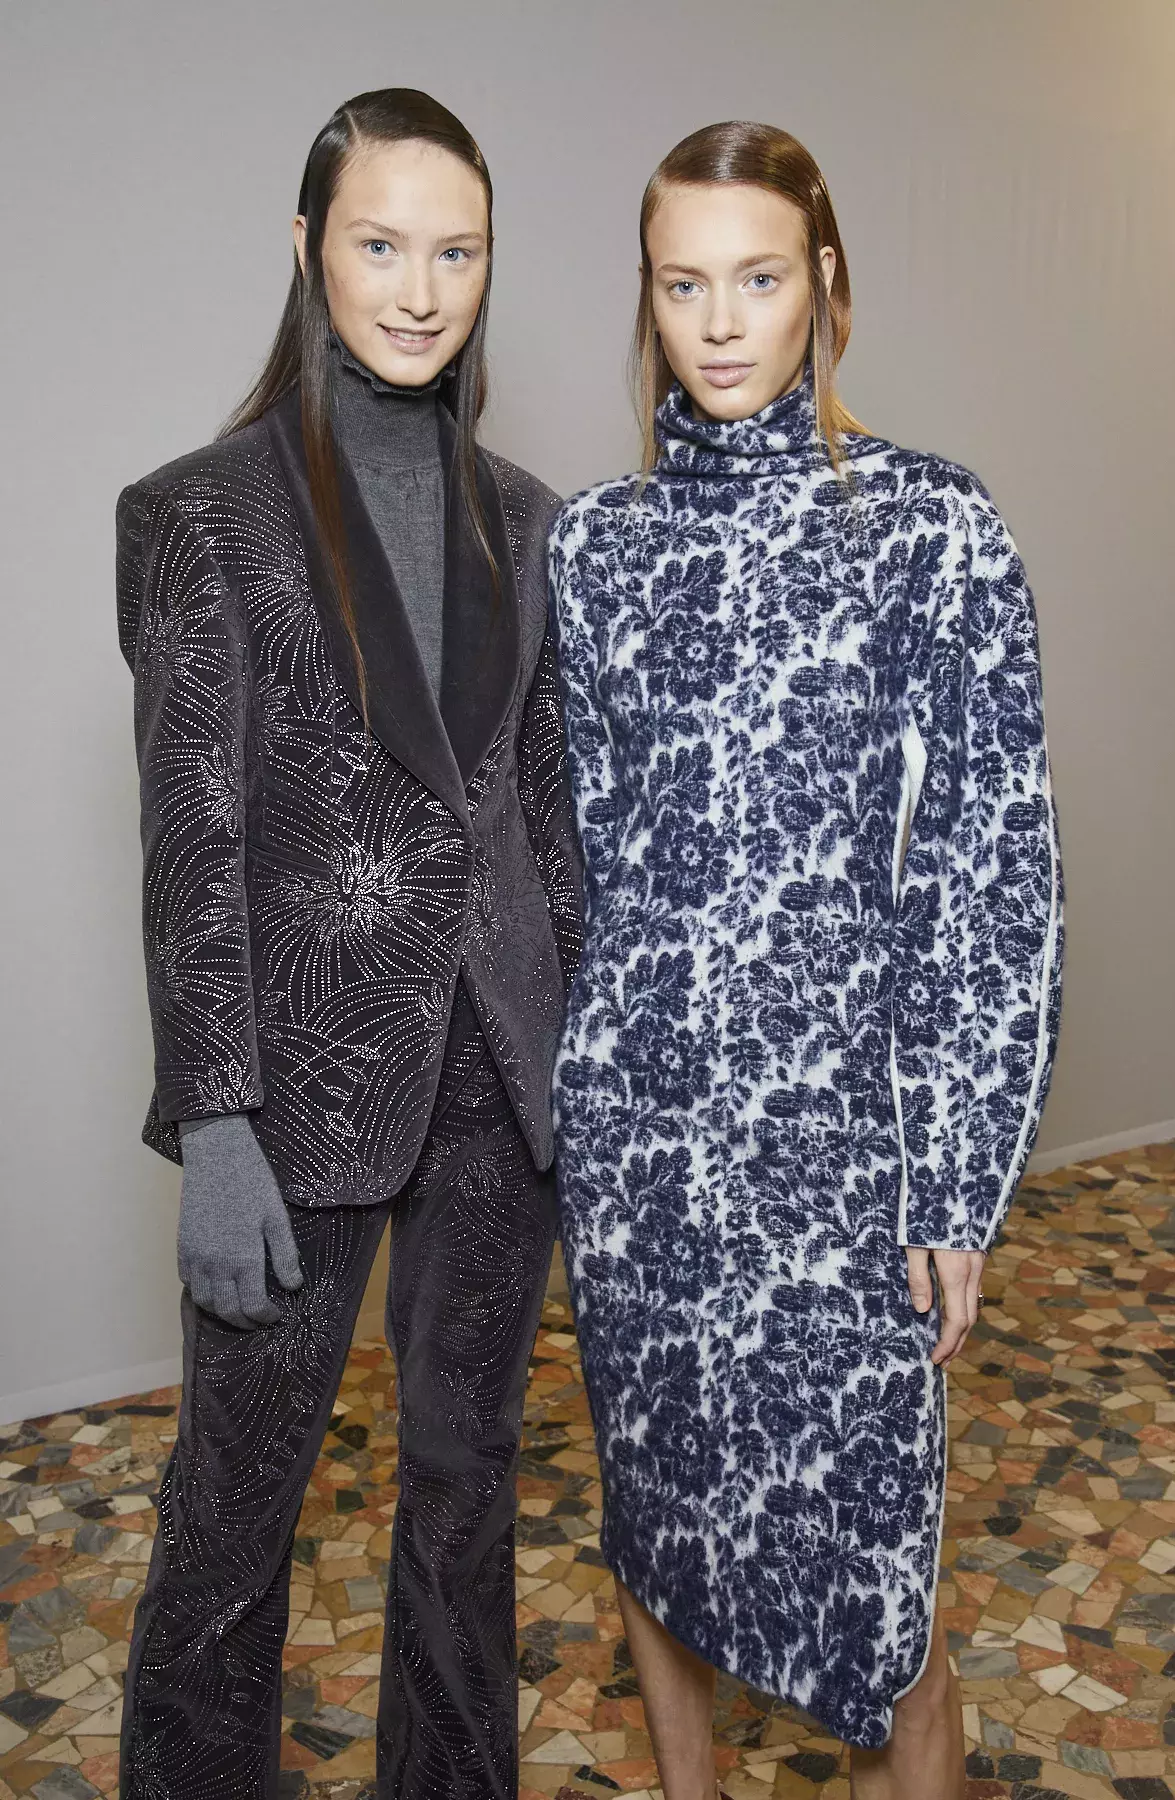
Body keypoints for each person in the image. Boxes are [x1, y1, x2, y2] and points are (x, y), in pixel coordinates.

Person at [548, 121, 1063, 1800]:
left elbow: (993, 871)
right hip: (645, 1160)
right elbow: (583, 865)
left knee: (886, 1596)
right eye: (681, 284)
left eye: (757, 279)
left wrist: (957, 1183)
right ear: (647, 297)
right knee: (657, 1527)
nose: (718, 322)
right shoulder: (595, 548)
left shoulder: (932, 528)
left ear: (824, 285)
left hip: (847, 1162)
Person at [116, 87, 581, 1800]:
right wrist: (217, 1122)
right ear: (308, 246)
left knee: (468, 1502)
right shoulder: (199, 514)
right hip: (292, 1098)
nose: (420, 288)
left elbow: (546, 824)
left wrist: (582, 1072)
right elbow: (192, 836)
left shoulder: (531, 520)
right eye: (382, 244)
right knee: (233, 1527)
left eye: (458, 252)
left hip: (500, 1092)